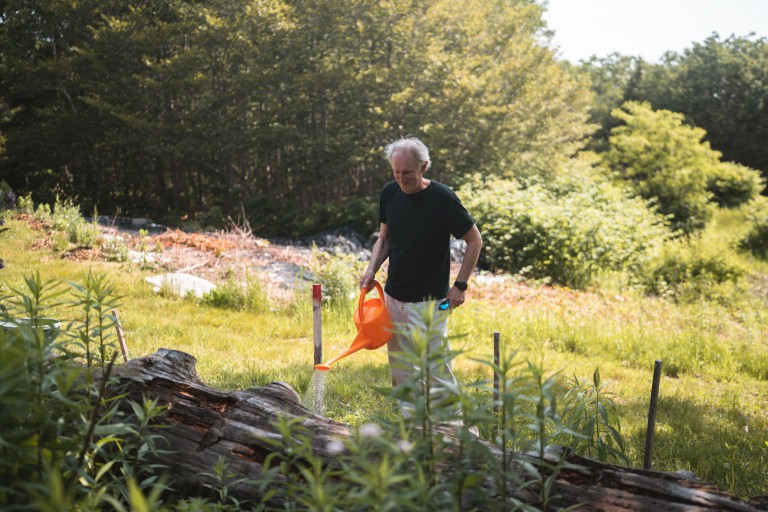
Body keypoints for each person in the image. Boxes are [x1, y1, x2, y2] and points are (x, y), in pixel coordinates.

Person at [359, 136, 483, 395]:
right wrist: (371, 269)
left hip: (432, 304)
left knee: (436, 373)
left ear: (423, 167)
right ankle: (414, 430)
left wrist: (460, 286)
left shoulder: (442, 199)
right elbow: (385, 238)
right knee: (402, 373)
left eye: (407, 173)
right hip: (393, 299)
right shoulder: (389, 192)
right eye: (396, 172)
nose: (401, 179)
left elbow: (474, 240)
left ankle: (451, 432)